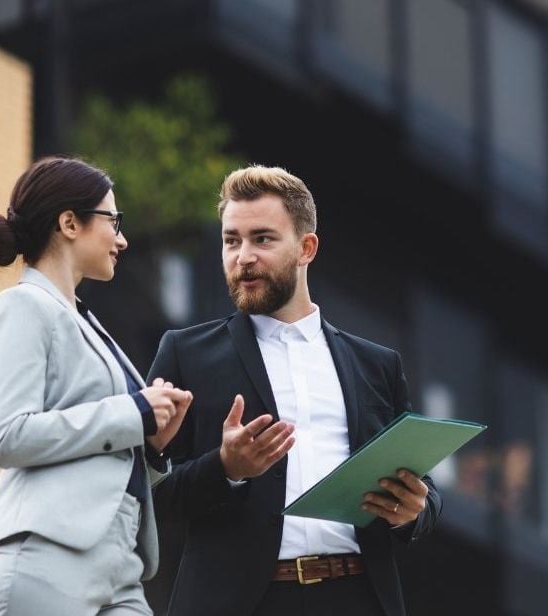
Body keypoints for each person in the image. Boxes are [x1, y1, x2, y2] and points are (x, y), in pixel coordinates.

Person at [147, 165, 441, 616]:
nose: (243, 256)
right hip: (240, 604)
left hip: (357, 596)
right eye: (231, 240)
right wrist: (225, 468)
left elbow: (421, 485)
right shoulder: (185, 353)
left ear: (307, 248)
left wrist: (416, 509)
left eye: (262, 239)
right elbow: (148, 490)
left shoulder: (377, 365)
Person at [0, 157, 193, 615]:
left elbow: (106, 458)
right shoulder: (21, 306)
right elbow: (6, 436)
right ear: (70, 223)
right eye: (113, 220)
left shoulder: (87, 323)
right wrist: (132, 414)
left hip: (123, 570)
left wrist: (153, 445)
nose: (122, 238)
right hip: (44, 558)